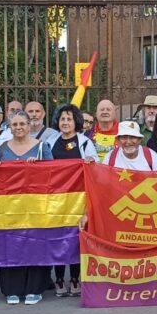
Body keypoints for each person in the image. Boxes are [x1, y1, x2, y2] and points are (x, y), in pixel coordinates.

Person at [0, 110, 54, 305]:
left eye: (22, 124)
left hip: (35, 206)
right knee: (11, 245)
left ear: (29, 126)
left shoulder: (42, 147)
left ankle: (34, 289)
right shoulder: (2, 148)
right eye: (15, 124)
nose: (18, 128)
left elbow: (54, 174)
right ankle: (12, 289)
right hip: (9, 207)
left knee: (35, 244)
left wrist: (39, 166)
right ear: (9, 128)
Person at [45, 104, 98, 297]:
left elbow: (95, 170)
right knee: (58, 238)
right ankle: (59, 279)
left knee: (76, 238)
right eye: (62, 119)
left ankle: (75, 278)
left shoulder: (85, 143)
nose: (65, 122)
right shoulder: (50, 141)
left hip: (79, 199)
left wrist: (90, 163)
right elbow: (44, 169)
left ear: (75, 121)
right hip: (57, 200)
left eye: (68, 119)